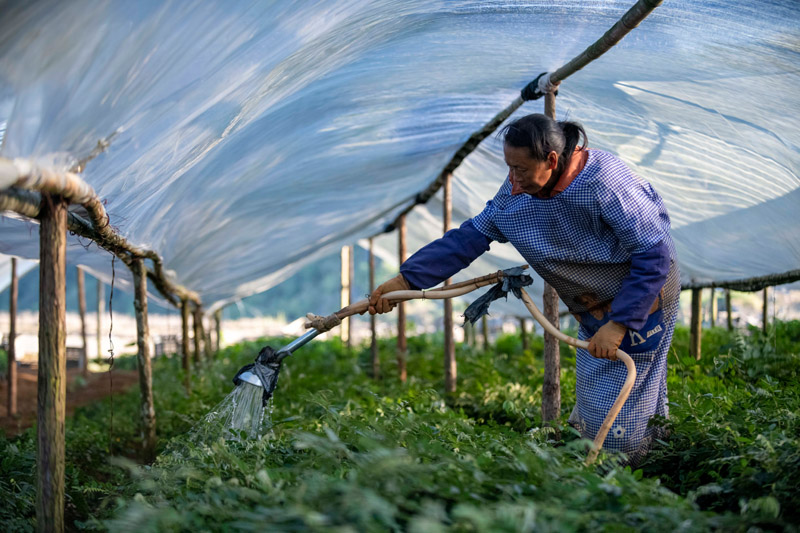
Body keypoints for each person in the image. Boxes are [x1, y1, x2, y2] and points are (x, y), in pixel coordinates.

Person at [368, 113, 680, 465]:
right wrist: (406, 281)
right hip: (593, 304)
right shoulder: (517, 190)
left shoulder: (604, 182)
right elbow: (471, 237)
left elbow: (655, 255)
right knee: (607, 389)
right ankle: (648, 458)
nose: (513, 181)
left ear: (551, 160)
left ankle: (623, 473)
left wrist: (620, 323)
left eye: (521, 170)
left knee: (627, 395)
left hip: (640, 298)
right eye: (509, 169)